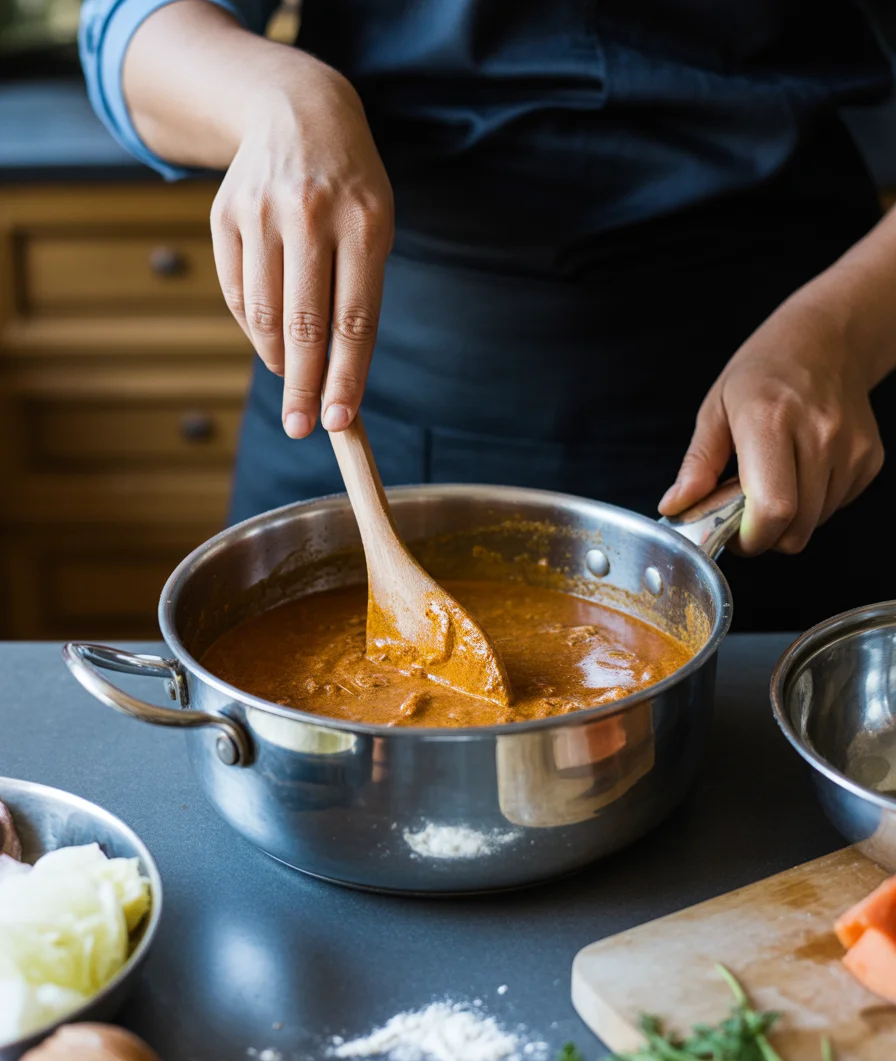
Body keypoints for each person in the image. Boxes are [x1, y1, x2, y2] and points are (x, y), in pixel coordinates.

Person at [80, 0, 896, 631]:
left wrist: (844, 334)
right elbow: (131, 29)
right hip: (381, 376)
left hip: (796, 398)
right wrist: (279, 98)